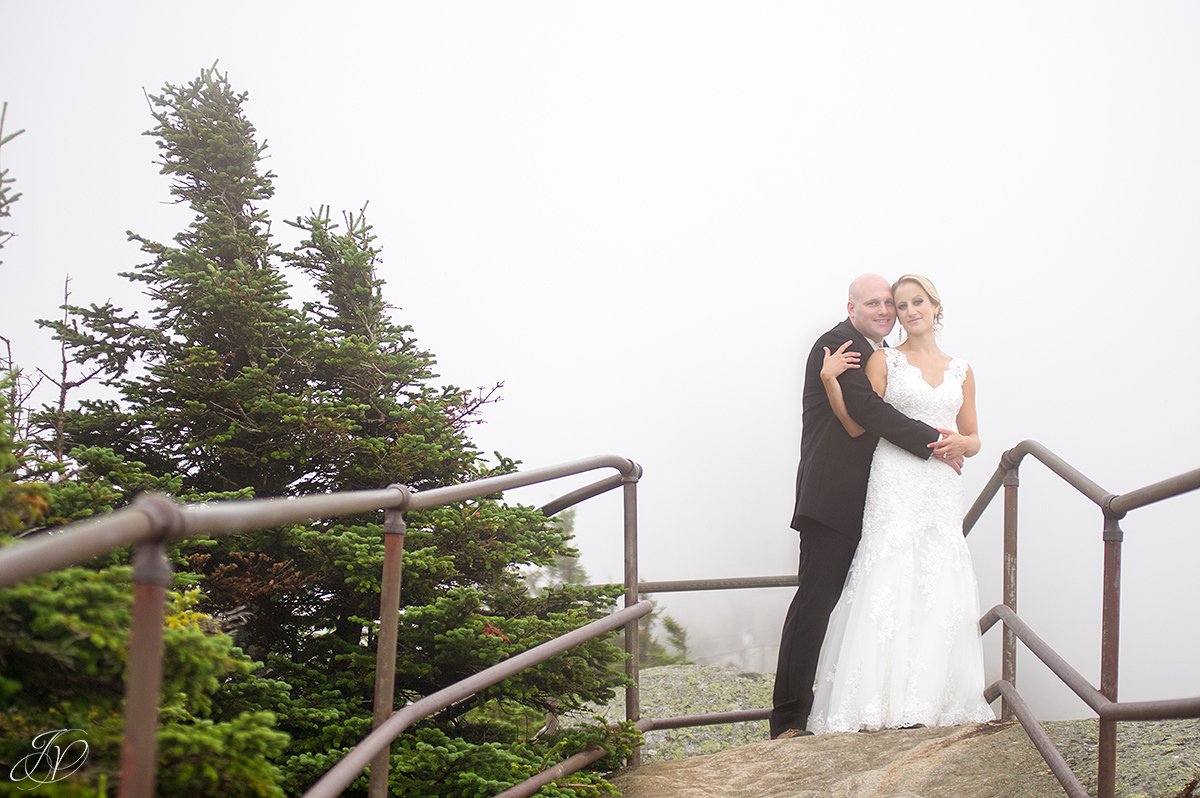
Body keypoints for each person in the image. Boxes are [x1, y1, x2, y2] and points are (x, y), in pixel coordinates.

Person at [770, 274, 958, 739]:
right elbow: (868, 414)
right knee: (815, 603)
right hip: (832, 498)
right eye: (873, 303)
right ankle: (789, 720)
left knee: (873, 601)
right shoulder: (839, 345)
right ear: (851, 307)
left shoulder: (878, 354)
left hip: (873, 500)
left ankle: (883, 702)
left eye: (888, 303)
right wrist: (936, 441)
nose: (884, 310)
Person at [807, 274, 994, 733]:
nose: (908, 311)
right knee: (889, 575)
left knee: (938, 577)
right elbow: (858, 424)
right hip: (895, 479)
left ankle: (933, 700)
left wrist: (961, 446)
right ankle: (875, 703)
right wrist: (831, 383)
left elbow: (974, 437)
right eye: (900, 304)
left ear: (935, 307)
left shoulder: (962, 370)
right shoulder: (883, 360)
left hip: (940, 486)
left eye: (916, 302)